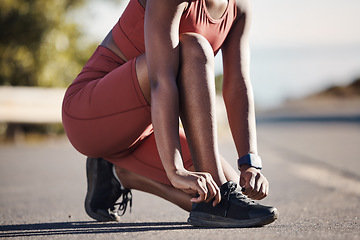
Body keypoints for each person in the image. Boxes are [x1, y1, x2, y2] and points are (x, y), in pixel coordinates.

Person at [62, 0, 279, 227]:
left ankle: (117, 173)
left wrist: (249, 163)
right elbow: (161, 80)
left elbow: (237, 85)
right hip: (90, 116)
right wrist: (175, 169)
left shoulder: (239, 8)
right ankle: (220, 190)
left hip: (144, 129)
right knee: (193, 47)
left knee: (216, 197)